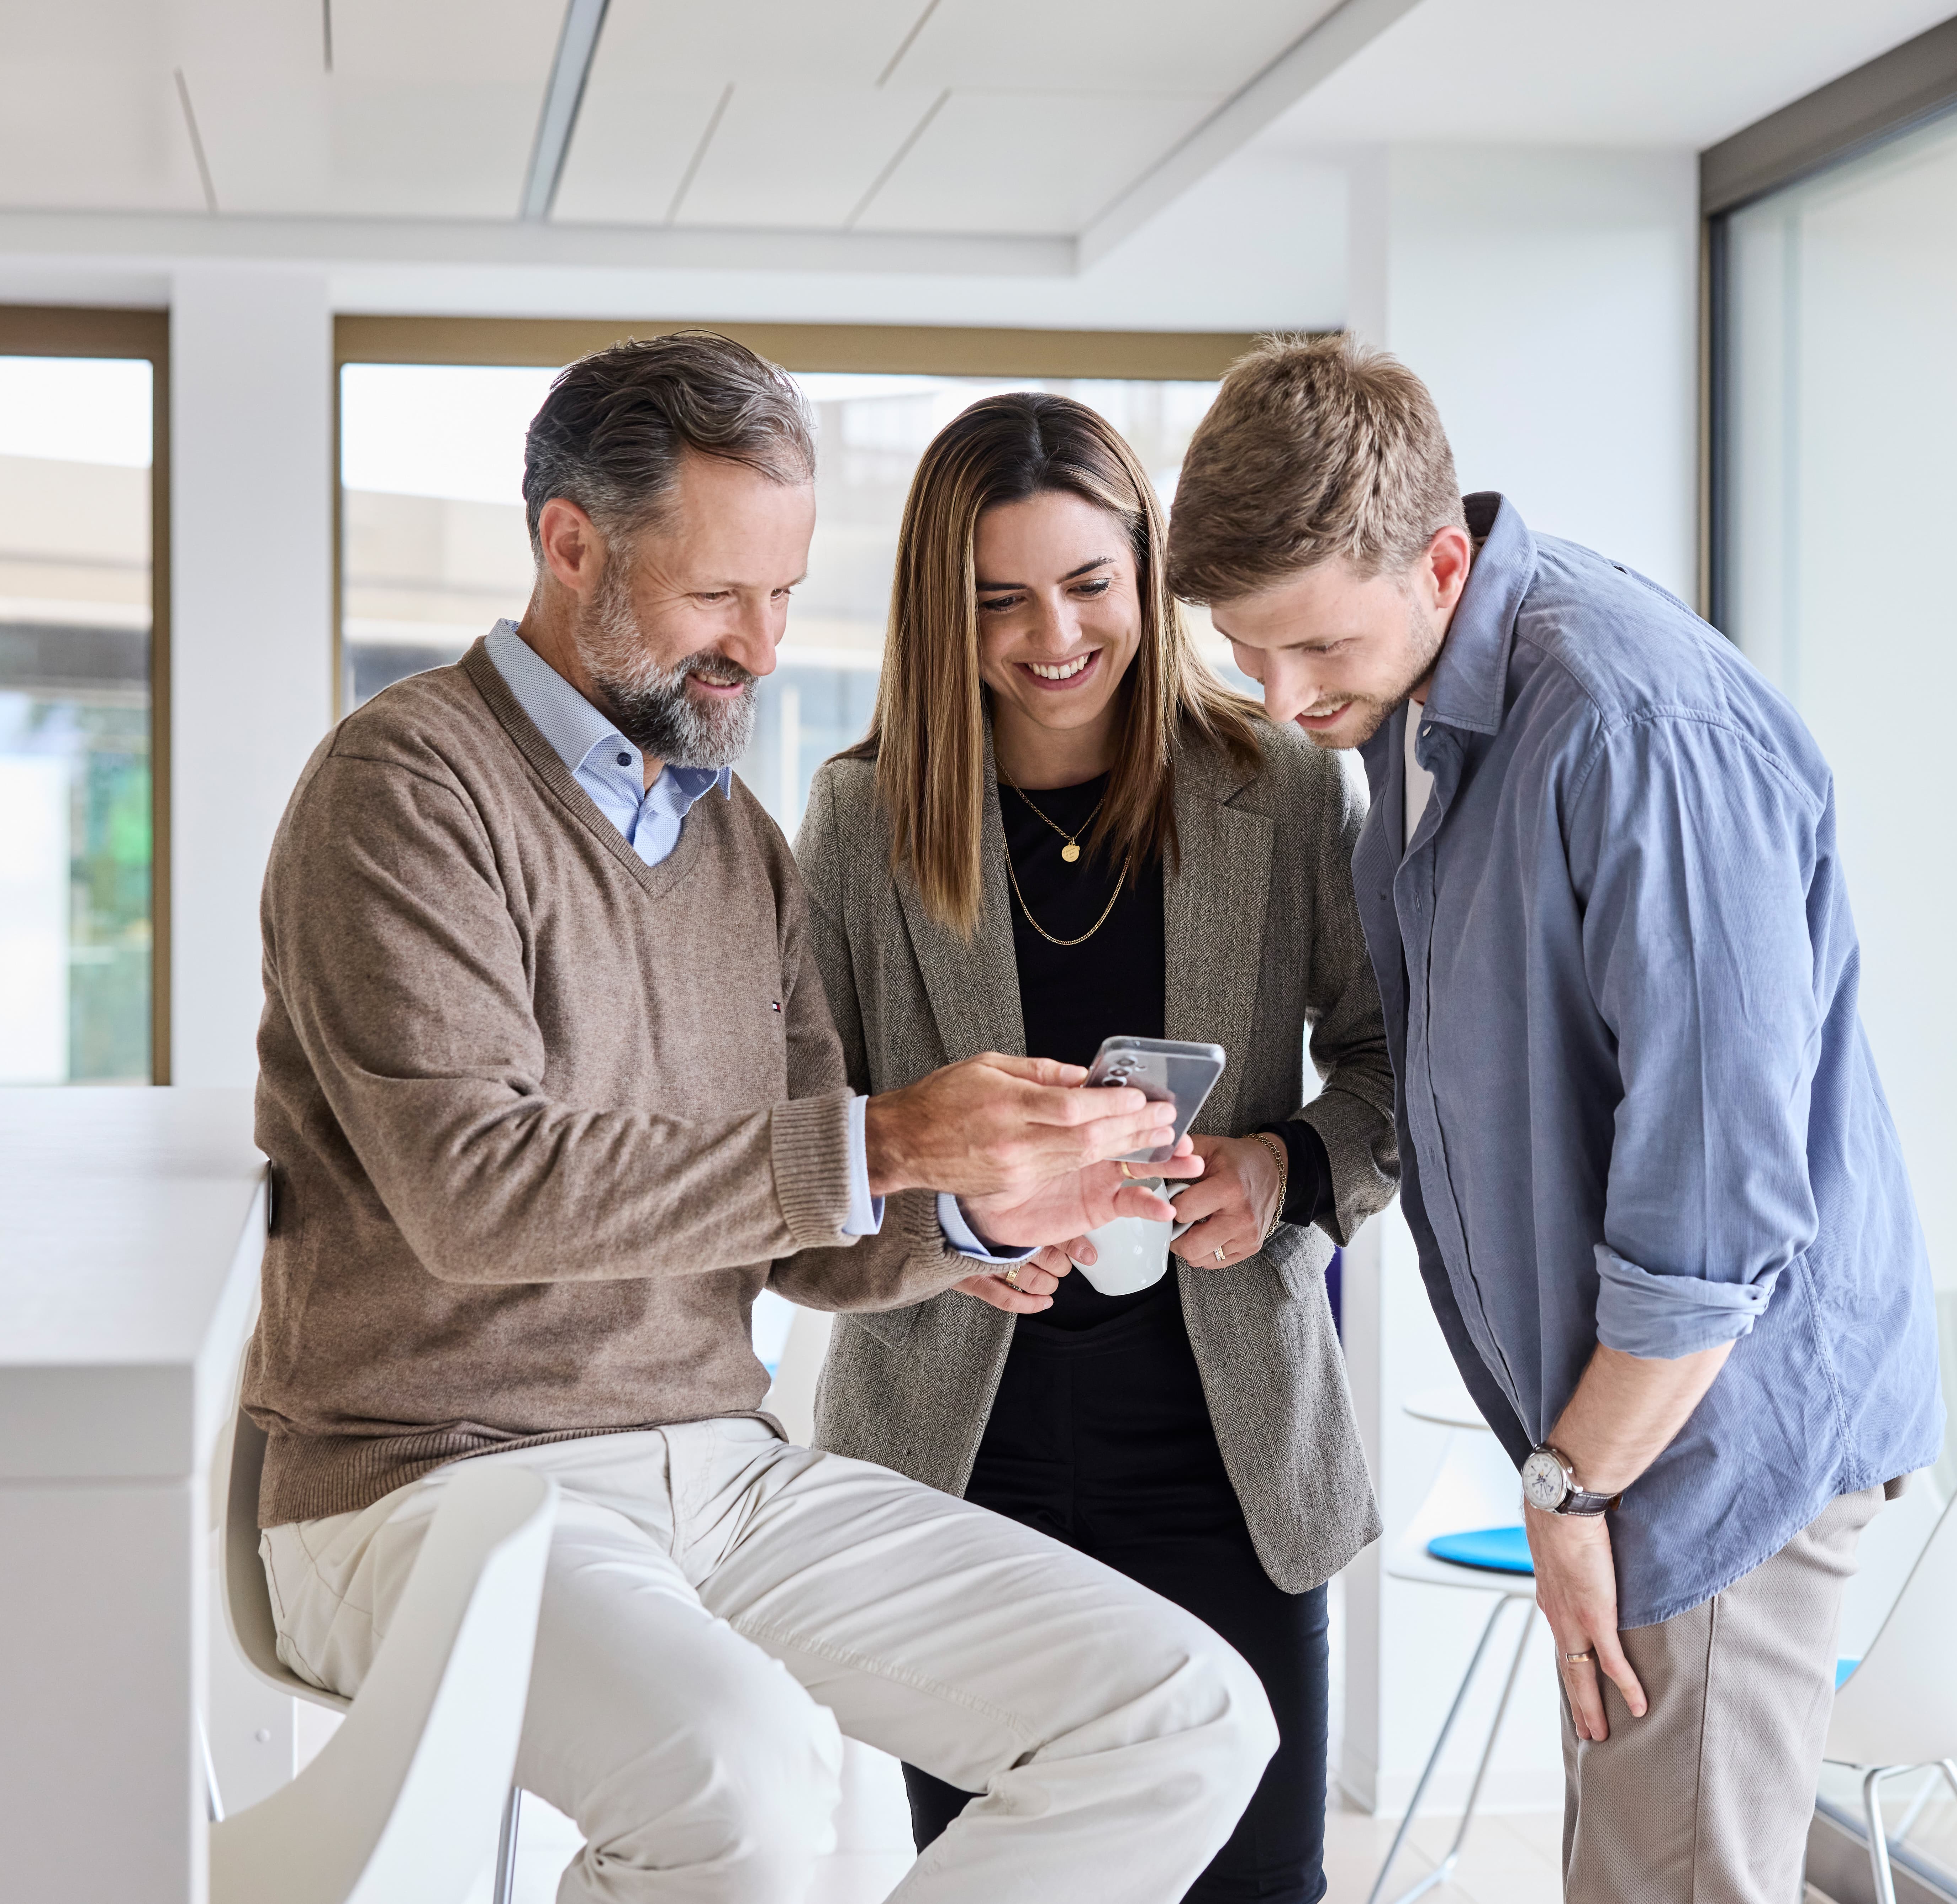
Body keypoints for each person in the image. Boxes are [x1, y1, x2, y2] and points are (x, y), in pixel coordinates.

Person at [242, 332, 1280, 1904]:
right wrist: (891, 1143)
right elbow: (476, 1194)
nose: (762, 647)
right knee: (739, 1779)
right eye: (721, 594)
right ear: (569, 541)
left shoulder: (733, 842)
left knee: (1181, 1717)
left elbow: (807, 1240)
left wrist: (987, 1212)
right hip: (430, 1477)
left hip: (719, 1466)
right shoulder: (405, 789)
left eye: (786, 595)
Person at [1165, 335, 1943, 1904]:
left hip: (1707, 1440)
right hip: (1621, 1439)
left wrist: (1569, 1491)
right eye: (1248, 657)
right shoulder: (1429, 700)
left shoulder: (1631, 731)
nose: (1284, 697)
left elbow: (1715, 1217)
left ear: (1438, 560)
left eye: (1312, 647)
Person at [795, 393, 1397, 1904]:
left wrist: (1286, 1174)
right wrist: (964, 1233)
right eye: (998, 601)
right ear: (941, 615)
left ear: (1147, 571)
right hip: (954, 1468)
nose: (1050, 635)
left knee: (1256, 1883)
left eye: (1087, 584)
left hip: (1228, 1458)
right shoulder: (862, 822)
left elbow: (1398, 1071)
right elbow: (799, 1165)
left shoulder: (1283, 790)